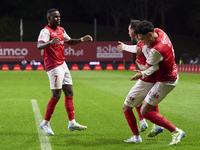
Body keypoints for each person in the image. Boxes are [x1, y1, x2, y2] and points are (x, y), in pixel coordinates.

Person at [37, 8, 93, 135]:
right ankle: (45, 123)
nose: (58, 18)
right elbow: (39, 45)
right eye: (55, 17)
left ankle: (72, 122)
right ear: (49, 19)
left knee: (69, 92)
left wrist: (82, 39)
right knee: (56, 95)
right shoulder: (45, 31)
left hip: (63, 64)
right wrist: (50, 42)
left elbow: (70, 41)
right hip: (53, 66)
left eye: (59, 16)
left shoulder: (61, 30)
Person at [130, 20, 185, 145]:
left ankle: (176, 131)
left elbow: (149, 68)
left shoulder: (157, 50)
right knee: (149, 102)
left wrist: (140, 70)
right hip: (169, 73)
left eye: (143, 39)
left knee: (144, 111)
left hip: (166, 81)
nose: (142, 42)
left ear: (150, 35)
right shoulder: (159, 31)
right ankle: (157, 126)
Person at [117, 20, 163, 143]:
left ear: (133, 31)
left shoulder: (143, 45)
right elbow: (137, 48)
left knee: (127, 107)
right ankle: (148, 124)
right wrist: (125, 47)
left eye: (128, 31)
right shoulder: (141, 44)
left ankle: (137, 135)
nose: (128, 33)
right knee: (143, 102)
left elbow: (153, 63)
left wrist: (142, 69)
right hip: (149, 78)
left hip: (146, 80)